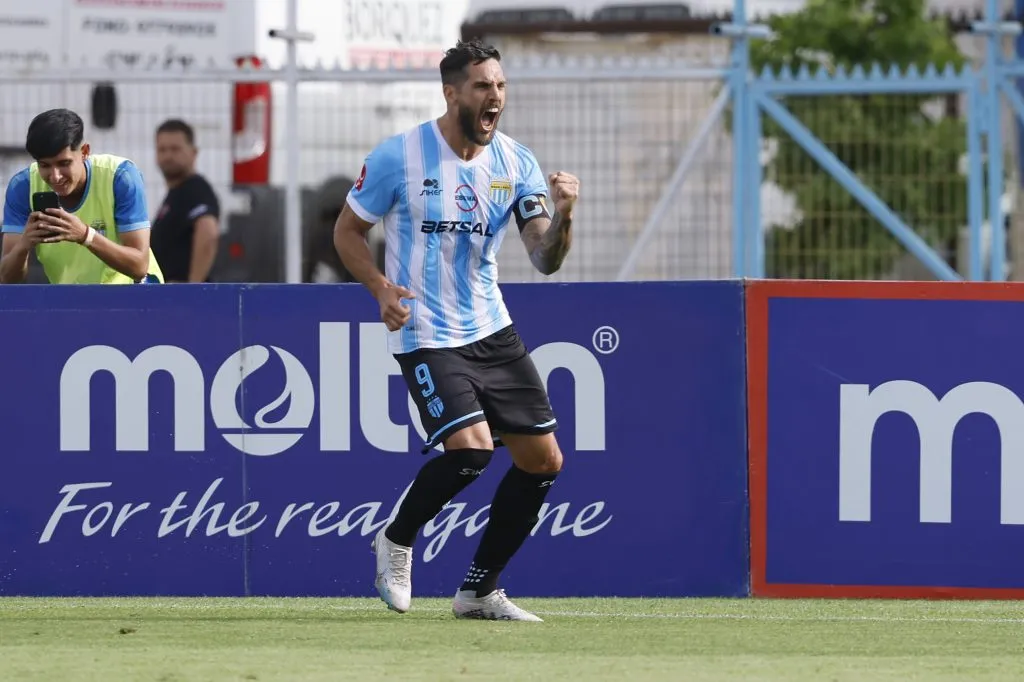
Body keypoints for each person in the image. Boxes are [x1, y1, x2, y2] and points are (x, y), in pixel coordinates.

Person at [334, 38, 579, 622]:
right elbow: (347, 232)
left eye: (499, 86)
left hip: (492, 330)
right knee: (470, 453)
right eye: (481, 87)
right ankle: (396, 537)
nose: (494, 96)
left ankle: (478, 590)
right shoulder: (399, 156)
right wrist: (379, 288)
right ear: (451, 93)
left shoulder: (516, 163)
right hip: (424, 330)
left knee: (544, 460)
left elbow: (544, 258)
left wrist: (565, 216)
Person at [0, 108, 164, 284]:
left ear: (85, 151)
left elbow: (139, 267)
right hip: (72, 302)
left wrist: (85, 236)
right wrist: (24, 245)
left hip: (135, 298)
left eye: (64, 163)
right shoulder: (23, 187)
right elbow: (8, 280)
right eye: (45, 165)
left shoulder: (120, 176)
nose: (55, 176)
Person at [150, 119, 221, 283]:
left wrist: (192, 289)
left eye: (175, 149)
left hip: (183, 299)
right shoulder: (175, 194)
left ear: (193, 152)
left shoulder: (196, 189)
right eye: (162, 150)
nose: (168, 156)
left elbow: (208, 233)